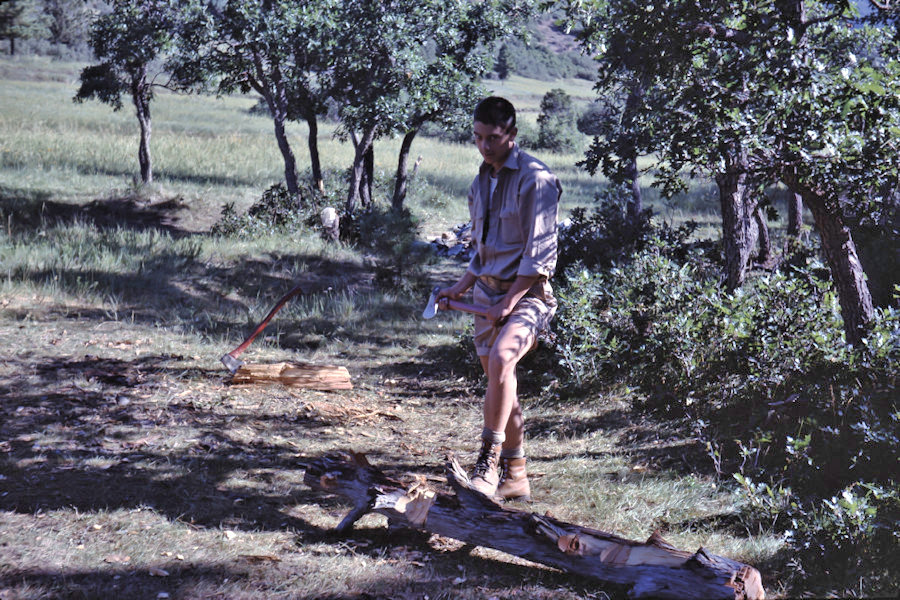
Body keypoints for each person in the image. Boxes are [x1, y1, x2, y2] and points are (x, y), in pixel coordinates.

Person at [436, 96, 561, 502]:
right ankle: (517, 474)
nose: (484, 146)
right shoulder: (480, 181)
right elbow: (482, 249)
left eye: (492, 138)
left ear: (511, 135)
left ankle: (487, 462)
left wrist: (509, 302)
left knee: (505, 360)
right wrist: (460, 286)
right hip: (487, 294)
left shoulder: (535, 180)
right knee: (499, 380)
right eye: (477, 138)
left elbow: (538, 255)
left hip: (528, 295)